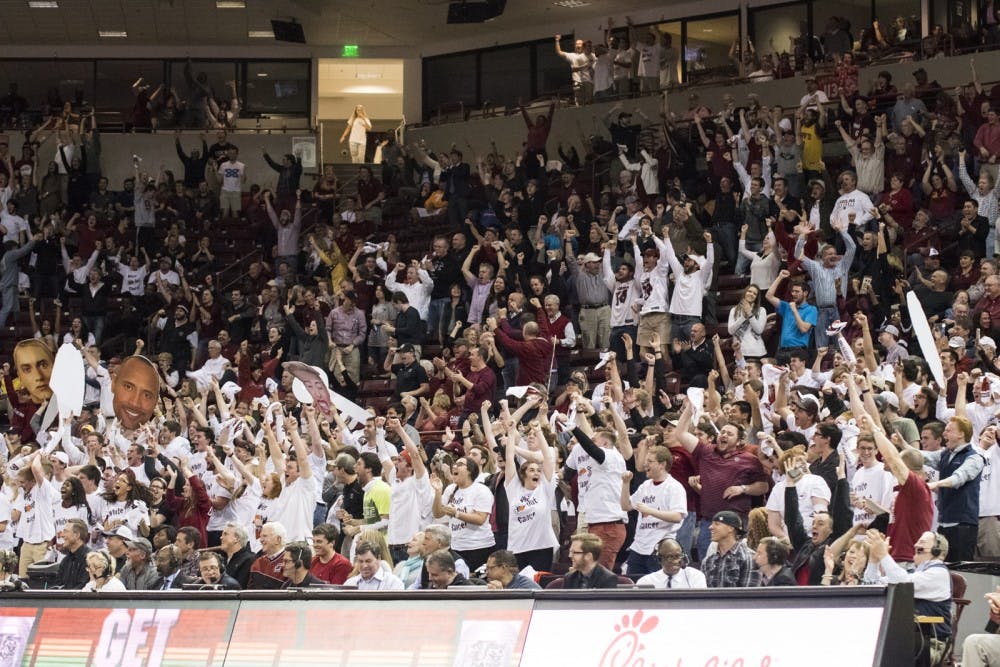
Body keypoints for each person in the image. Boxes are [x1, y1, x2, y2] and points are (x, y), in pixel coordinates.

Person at [922, 416, 984, 562]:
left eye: (948, 430)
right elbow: (922, 456)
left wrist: (935, 484)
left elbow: (958, 478)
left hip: (963, 526)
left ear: (961, 434)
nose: (944, 434)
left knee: (961, 569)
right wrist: (902, 444)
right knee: (942, 567)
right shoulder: (945, 454)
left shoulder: (974, 458)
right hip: (943, 524)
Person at [620, 446, 687, 577]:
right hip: (639, 547)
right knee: (634, 585)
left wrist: (650, 511)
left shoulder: (674, 487)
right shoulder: (645, 486)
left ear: (662, 464)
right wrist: (626, 483)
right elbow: (625, 506)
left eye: (650, 461)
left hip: (661, 548)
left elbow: (677, 516)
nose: (645, 465)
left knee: (658, 586)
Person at [701, 511, 759, 587]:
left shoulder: (749, 558)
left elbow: (750, 592)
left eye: (717, 524)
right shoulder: (708, 561)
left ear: (731, 528)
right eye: (712, 524)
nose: (710, 527)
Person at [111, 355, 160, 431]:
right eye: (128, 387)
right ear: (113, 384)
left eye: (146, 395)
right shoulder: (104, 431)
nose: (135, 403)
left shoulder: (152, 434)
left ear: (156, 402)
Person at [635, 538, 708, 589]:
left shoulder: (695, 576)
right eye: (670, 557)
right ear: (659, 559)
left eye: (678, 556)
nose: (675, 561)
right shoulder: (645, 582)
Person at [248, 521, 288, 589]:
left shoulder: (289, 562)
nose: (261, 540)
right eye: (260, 536)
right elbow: (250, 591)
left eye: (265, 536)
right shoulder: (257, 563)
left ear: (278, 539)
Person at [57, 518, 91, 589]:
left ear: (77, 535)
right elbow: (58, 585)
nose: (62, 535)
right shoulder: (65, 561)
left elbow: (84, 588)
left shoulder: (90, 559)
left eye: (66, 531)